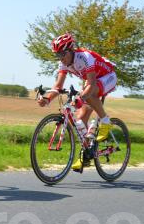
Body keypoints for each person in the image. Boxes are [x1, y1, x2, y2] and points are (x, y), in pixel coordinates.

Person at [37, 33, 117, 171]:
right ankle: (85, 154)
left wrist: (81, 98)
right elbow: (58, 86)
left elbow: (91, 85)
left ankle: (105, 122)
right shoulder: (63, 63)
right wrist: (47, 99)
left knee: (89, 92)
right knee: (80, 120)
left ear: (71, 50)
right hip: (93, 82)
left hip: (107, 76)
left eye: (63, 54)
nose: (61, 58)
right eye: (57, 55)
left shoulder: (84, 57)